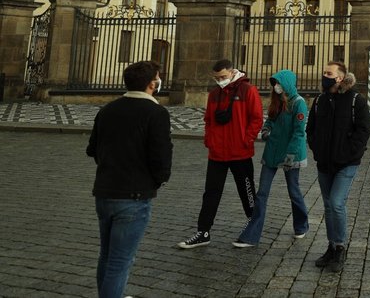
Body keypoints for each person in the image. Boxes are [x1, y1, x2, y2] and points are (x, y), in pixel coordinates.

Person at [87, 60, 171, 298]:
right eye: (158, 77)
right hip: (134, 196)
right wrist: (157, 180)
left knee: (107, 256)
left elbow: (92, 149)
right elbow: (161, 157)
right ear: (152, 84)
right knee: (120, 261)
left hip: (104, 192)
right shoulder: (156, 112)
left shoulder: (107, 109)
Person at [178, 59, 263, 249]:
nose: (220, 80)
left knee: (247, 191)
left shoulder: (248, 90)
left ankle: (253, 228)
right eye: (216, 78)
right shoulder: (214, 94)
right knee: (211, 193)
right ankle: (203, 231)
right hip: (217, 153)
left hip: (239, 152)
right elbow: (208, 120)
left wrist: (246, 139)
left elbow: (256, 119)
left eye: (223, 77)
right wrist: (209, 140)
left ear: (232, 72)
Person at [233, 69, 309, 247]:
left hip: (291, 154)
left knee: (294, 191)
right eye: (274, 83)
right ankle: (251, 235)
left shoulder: (299, 103)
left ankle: (301, 225)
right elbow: (270, 121)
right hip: (273, 151)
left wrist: (291, 155)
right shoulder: (277, 102)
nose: (276, 86)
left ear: (287, 84)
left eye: (279, 83)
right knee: (262, 193)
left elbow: (299, 133)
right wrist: (266, 130)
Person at [308, 61, 370, 272]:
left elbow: (363, 131)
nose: (324, 76)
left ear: (340, 78)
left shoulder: (356, 100)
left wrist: (349, 152)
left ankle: (340, 248)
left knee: (336, 203)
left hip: (346, 163)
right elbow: (311, 129)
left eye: (329, 73)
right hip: (324, 162)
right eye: (324, 72)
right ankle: (331, 246)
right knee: (327, 205)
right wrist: (317, 148)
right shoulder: (319, 100)